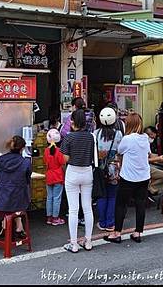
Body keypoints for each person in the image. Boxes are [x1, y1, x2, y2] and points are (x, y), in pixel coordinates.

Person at [104, 112, 163, 244]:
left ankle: (117, 233)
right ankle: (137, 232)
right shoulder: (144, 138)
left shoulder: (127, 139)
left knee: (121, 204)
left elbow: (119, 151)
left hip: (128, 177)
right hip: (143, 177)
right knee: (140, 204)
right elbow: (148, 154)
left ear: (128, 124)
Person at [60, 109, 95, 253]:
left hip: (73, 172)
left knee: (73, 210)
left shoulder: (69, 137)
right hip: (87, 172)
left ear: (73, 122)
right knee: (87, 208)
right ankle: (88, 241)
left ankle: (73, 244)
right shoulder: (91, 137)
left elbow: (65, 159)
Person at [0, 135, 33, 238]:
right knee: (16, 200)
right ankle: (18, 227)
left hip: (1, 199)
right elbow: (27, 180)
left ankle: (5, 225)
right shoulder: (26, 162)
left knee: (8, 201)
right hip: (20, 200)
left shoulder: (1, 161)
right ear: (23, 148)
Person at [94, 107, 123, 232]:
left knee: (101, 195)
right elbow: (121, 152)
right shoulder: (119, 134)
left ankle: (102, 222)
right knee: (112, 196)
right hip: (114, 169)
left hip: (99, 169)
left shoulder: (95, 134)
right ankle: (110, 223)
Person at [44, 129, 66, 226]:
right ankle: (55, 218)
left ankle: (49, 217)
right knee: (57, 198)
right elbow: (63, 162)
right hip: (58, 175)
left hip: (49, 175)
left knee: (49, 197)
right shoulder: (59, 151)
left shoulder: (46, 151)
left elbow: (45, 161)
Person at [144, 126, 163, 199]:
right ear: (150, 134)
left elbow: (150, 155)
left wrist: (160, 156)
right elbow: (144, 159)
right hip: (144, 168)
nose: (153, 139)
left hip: (145, 167)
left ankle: (150, 187)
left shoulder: (144, 142)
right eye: (152, 137)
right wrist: (158, 158)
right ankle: (150, 188)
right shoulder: (144, 143)